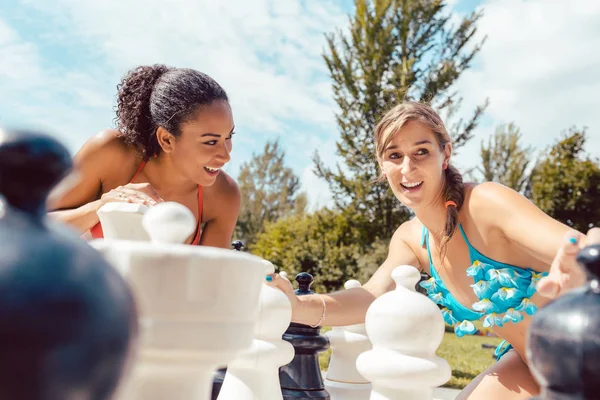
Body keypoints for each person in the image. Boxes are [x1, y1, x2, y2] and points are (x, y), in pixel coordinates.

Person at [267, 101, 600, 400]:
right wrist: (297, 306)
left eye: (421, 151)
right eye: (394, 155)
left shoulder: (485, 203)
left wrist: (579, 263)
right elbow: (370, 297)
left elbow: (581, 248)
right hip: (535, 363)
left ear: (446, 155)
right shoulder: (412, 238)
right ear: (382, 167)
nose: (407, 167)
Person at [48, 64, 240, 248]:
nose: (225, 156)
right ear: (166, 139)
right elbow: (30, 223)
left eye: (228, 137)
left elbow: (209, 277)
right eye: (211, 142)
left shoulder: (224, 195)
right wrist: (102, 206)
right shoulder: (111, 152)